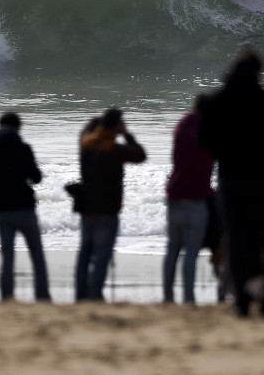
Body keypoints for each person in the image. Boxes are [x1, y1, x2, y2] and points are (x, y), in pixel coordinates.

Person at [198, 51, 264, 318]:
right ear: (258, 71)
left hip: (229, 178)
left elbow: (203, 141)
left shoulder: (214, 101)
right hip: (260, 178)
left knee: (237, 239)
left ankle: (241, 299)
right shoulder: (262, 97)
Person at [0, 113, 50, 301]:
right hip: (25, 208)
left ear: (0, 126)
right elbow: (37, 178)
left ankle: (7, 297)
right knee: (37, 256)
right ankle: (42, 297)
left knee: (7, 259)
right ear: (18, 127)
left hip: (4, 211)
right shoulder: (24, 149)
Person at [76, 108, 147, 302]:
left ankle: (80, 294)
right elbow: (141, 155)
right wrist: (127, 134)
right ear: (117, 126)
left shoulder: (86, 143)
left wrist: (97, 122)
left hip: (87, 206)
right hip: (107, 209)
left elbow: (85, 131)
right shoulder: (114, 149)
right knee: (102, 255)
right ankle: (95, 294)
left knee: (85, 252)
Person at [164, 95, 215, 304]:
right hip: (196, 197)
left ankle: (167, 296)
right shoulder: (209, 132)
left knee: (172, 249)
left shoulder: (182, 126)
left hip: (175, 193)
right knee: (191, 252)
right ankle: (188, 297)